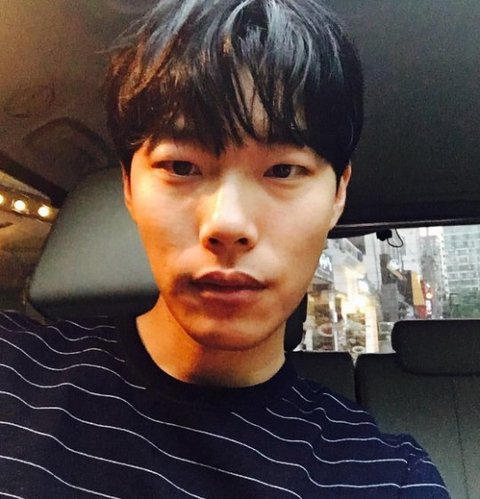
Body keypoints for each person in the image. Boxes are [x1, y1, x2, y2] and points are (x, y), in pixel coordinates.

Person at [0, 0, 450, 497]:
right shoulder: (11, 372)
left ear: (338, 193)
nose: (227, 224)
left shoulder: (388, 479)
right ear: (128, 186)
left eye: (283, 170)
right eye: (181, 167)